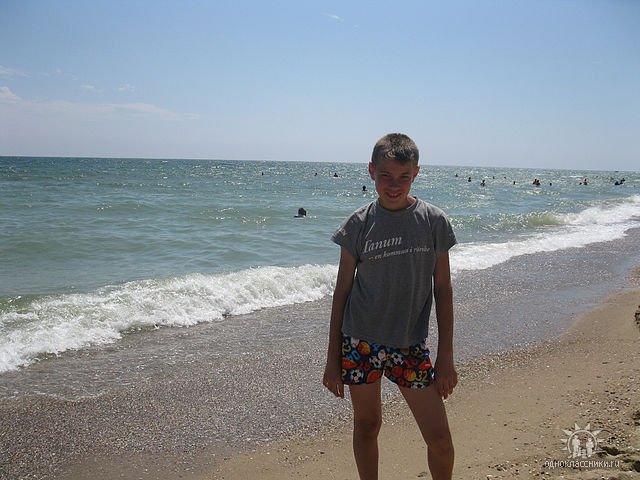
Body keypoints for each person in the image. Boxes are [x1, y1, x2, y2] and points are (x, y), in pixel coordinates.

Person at [323, 133, 457, 480]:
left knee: (440, 439)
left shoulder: (433, 221)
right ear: (371, 171)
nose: (393, 185)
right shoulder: (358, 224)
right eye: (385, 175)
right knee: (367, 426)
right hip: (360, 341)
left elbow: (443, 289)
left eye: (403, 176)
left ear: (416, 173)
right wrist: (332, 359)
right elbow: (342, 291)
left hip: (410, 344)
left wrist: (446, 356)